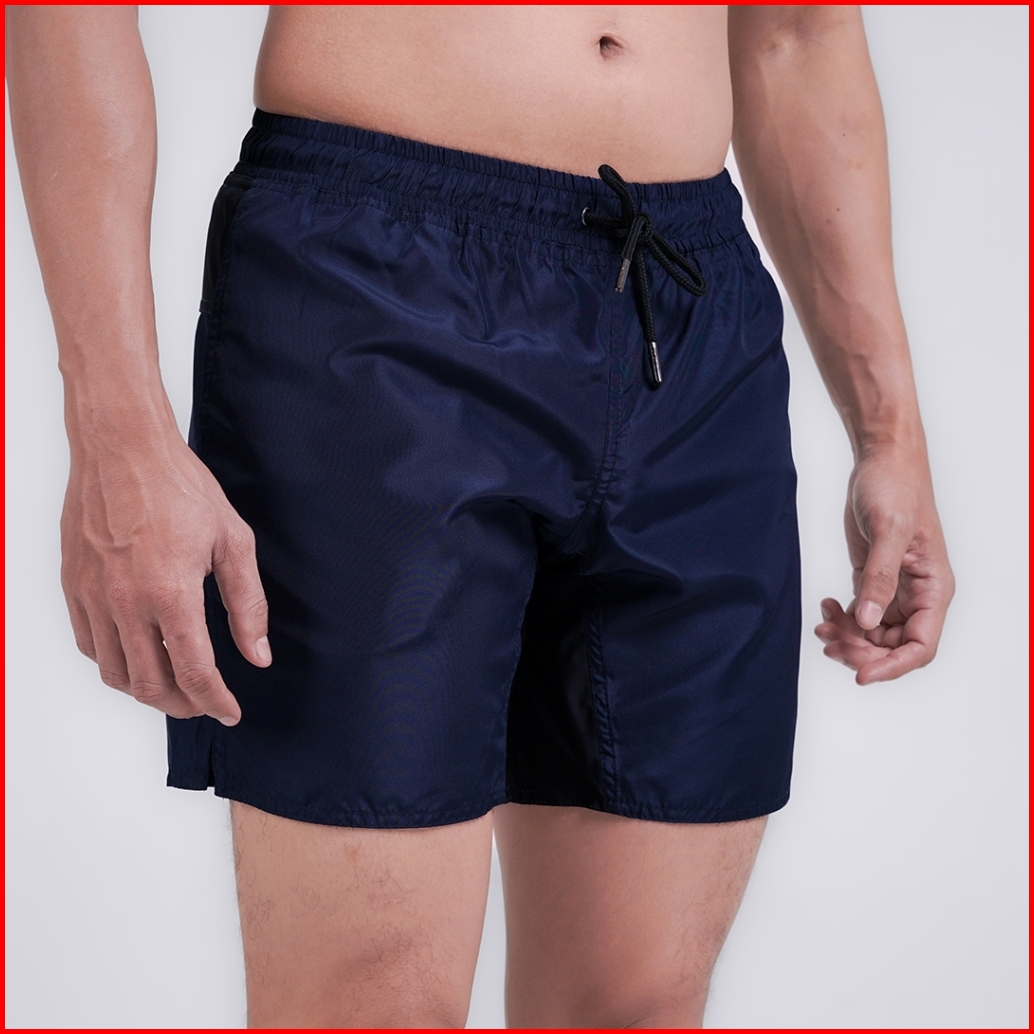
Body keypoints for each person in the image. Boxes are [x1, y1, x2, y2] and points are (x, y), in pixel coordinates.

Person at [6, 5, 954, 1028]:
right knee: (371, 1006)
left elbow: (796, 35)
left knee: (638, 1008)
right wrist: (114, 430)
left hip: (687, 320)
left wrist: (889, 433)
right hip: (376, 284)